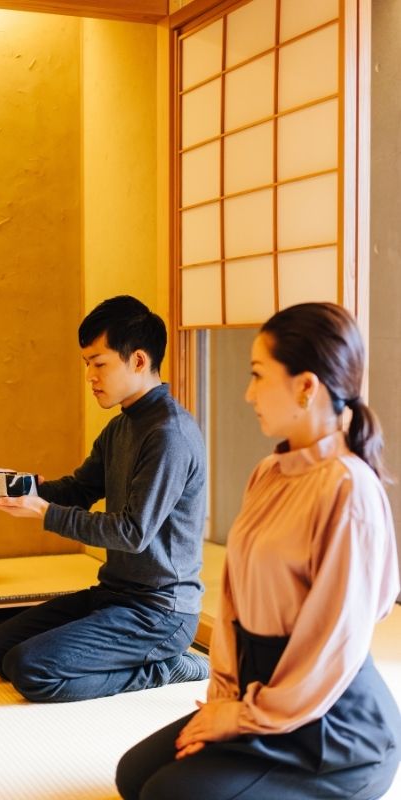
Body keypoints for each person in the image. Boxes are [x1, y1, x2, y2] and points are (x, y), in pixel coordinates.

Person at [116, 302, 401, 800]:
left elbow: (336, 640)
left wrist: (246, 718)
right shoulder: (270, 471)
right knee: (135, 775)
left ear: (306, 386)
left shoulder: (349, 489)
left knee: (168, 795)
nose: (247, 393)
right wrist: (224, 699)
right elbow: (230, 603)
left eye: (257, 375)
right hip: (257, 693)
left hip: (331, 727)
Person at [0, 295, 208, 703]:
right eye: (87, 363)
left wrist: (45, 513)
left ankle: (164, 667)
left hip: (160, 612)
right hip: (114, 595)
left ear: (138, 361)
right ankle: (146, 659)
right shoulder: (121, 428)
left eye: (99, 363)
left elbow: (132, 532)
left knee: (32, 671)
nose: (90, 375)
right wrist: (27, 492)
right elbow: (81, 490)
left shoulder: (169, 434)